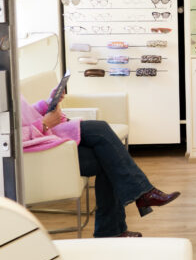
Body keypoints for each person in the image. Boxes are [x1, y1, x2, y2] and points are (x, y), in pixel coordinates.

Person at [21, 93, 180, 238]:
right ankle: (139, 199)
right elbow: (10, 138)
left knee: (106, 151)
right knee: (103, 141)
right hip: (40, 156)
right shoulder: (7, 86)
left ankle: (114, 228)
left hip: (48, 142)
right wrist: (44, 124)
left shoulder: (10, 84)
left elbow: (25, 115)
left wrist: (47, 104)